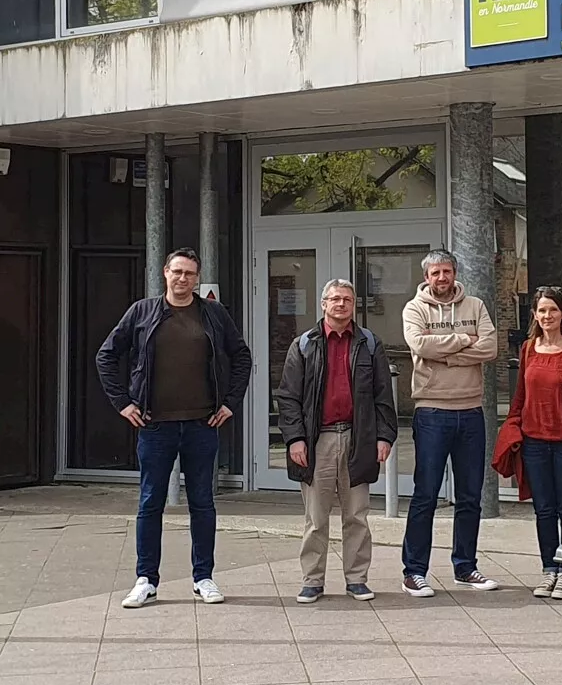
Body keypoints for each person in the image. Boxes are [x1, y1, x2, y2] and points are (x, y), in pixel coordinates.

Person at [95, 247, 252, 609]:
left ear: (197, 278)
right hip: (155, 425)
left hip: (201, 424)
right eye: (177, 272)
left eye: (190, 274)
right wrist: (124, 403)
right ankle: (146, 579)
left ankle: (203, 577)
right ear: (165, 273)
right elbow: (106, 354)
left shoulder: (212, 313)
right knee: (151, 502)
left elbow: (240, 355)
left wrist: (230, 402)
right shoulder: (143, 312)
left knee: (203, 503)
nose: (183, 279)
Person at [276, 278, 397, 603]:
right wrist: (295, 439)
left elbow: (383, 395)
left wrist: (384, 436)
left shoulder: (370, 344)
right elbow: (288, 398)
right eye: (334, 299)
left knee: (357, 515)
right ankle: (312, 580)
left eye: (346, 299)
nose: (340, 304)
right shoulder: (304, 344)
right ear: (323, 304)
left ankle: (357, 579)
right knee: (316, 519)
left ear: (353, 304)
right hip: (319, 442)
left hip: (359, 439)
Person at [400, 249, 500, 596]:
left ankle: (465, 567)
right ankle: (414, 571)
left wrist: (444, 355)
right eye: (435, 273)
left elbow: (490, 348)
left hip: (471, 411)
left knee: (471, 496)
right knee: (425, 495)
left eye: (447, 271)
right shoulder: (414, 309)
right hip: (432, 411)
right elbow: (417, 344)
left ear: (455, 273)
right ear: (426, 276)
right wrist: (461, 341)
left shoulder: (475, 306)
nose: (442, 278)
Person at [505, 286, 562, 601]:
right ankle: (549, 569)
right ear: (535, 315)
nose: (547, 316)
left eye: (553, 310)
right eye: (542, 310)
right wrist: (514, 426)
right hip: (534, 442)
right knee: (544, 510)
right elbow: (520, 395)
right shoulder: (528, 348)